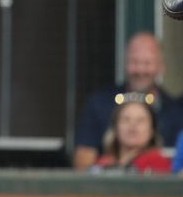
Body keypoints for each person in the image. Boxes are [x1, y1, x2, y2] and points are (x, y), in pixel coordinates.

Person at [74, 31, 183, 170]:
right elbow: (83, 164)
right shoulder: (98, 104)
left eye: (147, 62)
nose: (140, 69)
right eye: (134, 62)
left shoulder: (177, 111)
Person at [91, 100, 171, 174]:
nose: (132, 125)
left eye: (140, 120)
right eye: (126, 119)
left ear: (152, 130)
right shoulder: (102, 164)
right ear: (115, 128)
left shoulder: (159, 163)